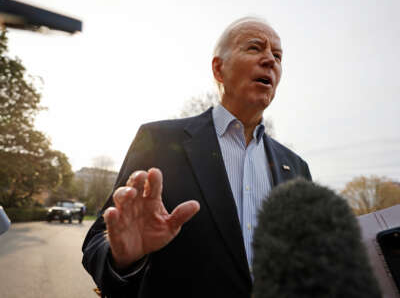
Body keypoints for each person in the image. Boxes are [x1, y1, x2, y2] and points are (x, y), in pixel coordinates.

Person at [82, 16, 312, 298]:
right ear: (219, 68)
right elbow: (97, 241)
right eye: (255, 48)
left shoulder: (298, 168)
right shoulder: (159, 141)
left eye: (277, 56)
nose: (270, 60)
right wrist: (124, 258)